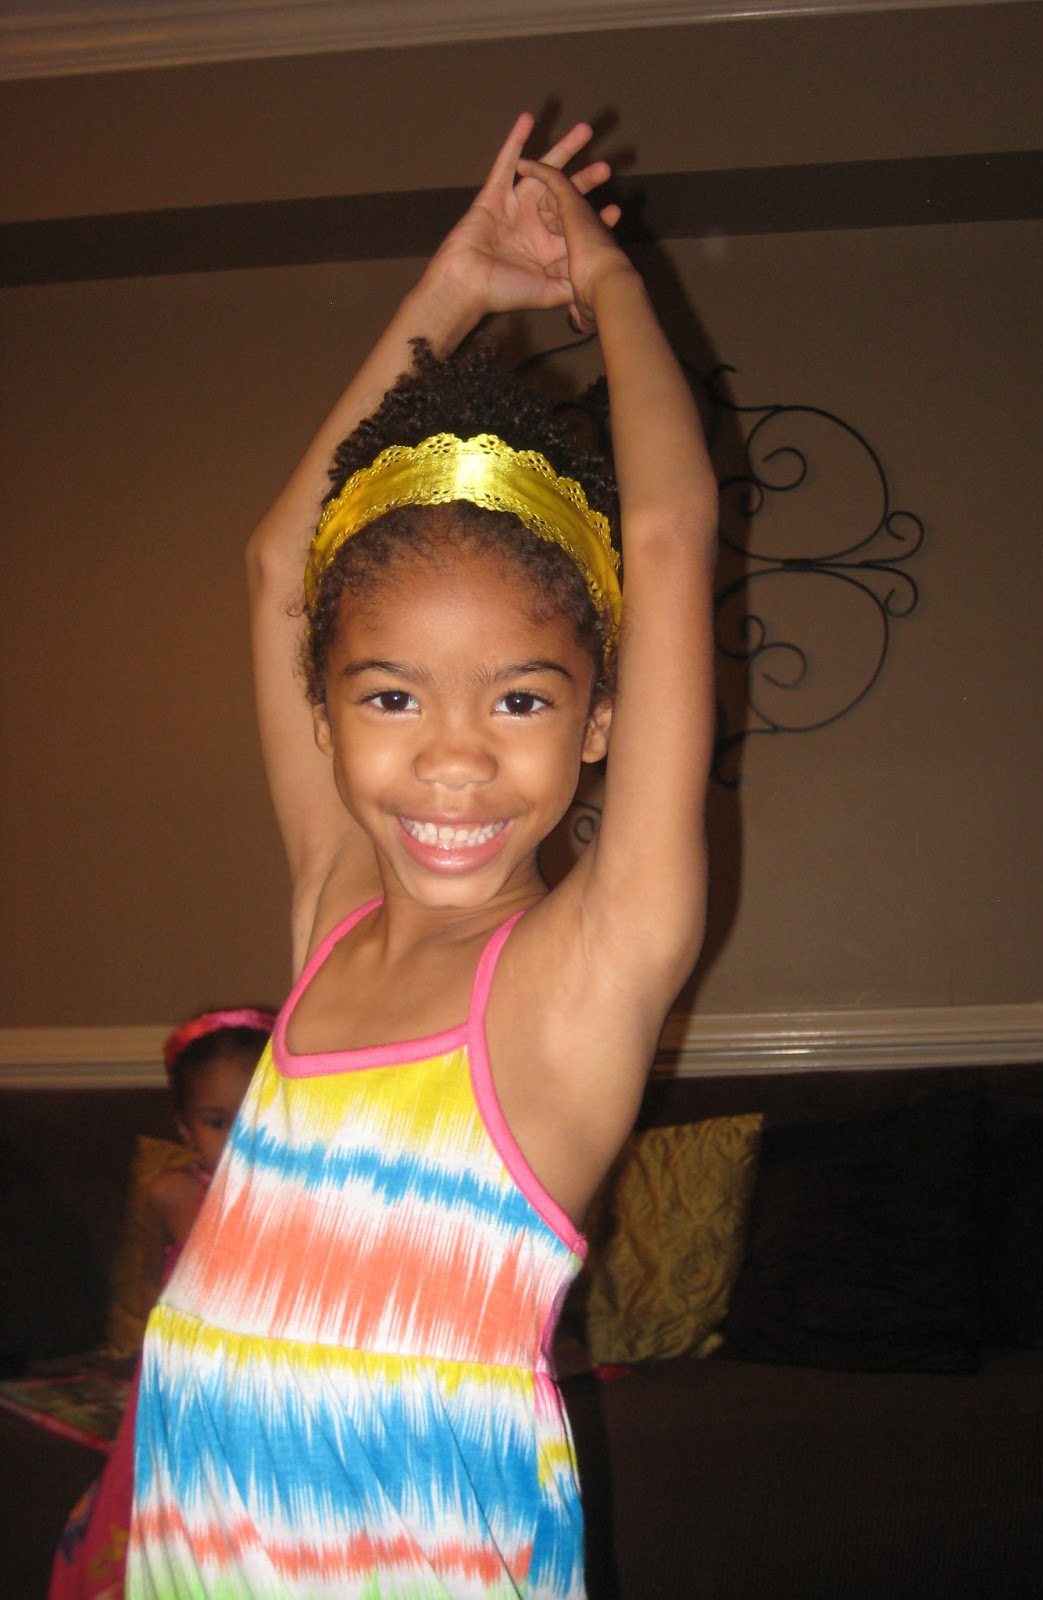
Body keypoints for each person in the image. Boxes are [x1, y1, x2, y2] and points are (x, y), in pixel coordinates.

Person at [126, 110, 716, 1600]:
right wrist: (450, 285)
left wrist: (611, 283)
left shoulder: (585, 970)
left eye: (520, 700)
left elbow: (668, 530)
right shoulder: (332, 907)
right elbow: (279, 566)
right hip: (193, 1556)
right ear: (325, 713)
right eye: (391, 697)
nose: (454, 760)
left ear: (600, 721)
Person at [48, 1010, 272, 1600]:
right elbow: (150, 1282)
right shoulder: (171, 1195)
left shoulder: (297, 1200)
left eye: (258, 1115)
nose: (240, 1138)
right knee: (163, 1497)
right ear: (184, 1127)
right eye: (217, 1122)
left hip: (259, 1379)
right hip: (181, 1373)